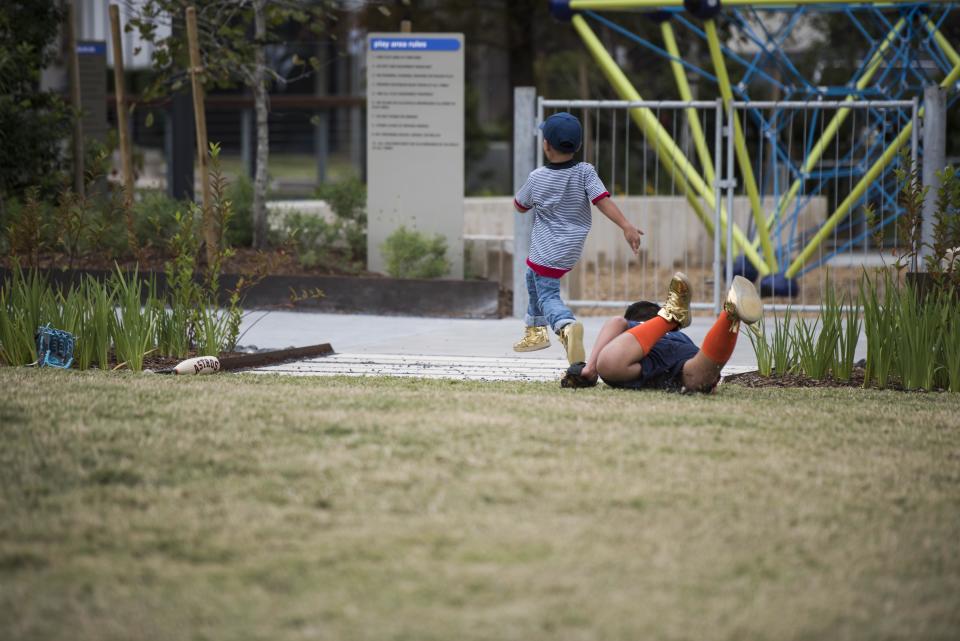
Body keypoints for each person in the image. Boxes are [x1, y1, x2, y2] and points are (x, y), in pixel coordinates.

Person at [513, 112, 643, 365]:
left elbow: (520, 205)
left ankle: (565, 326)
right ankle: (535, 331)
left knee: (547, 295)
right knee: (533, 277)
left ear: (546, 145)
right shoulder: (585, 171)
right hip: (570, 247)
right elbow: (602, 201)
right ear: (578, 145)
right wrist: (626, 226)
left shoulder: (537, 177)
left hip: (546, 248)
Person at [561, 272, 762, 393]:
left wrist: (590, 368)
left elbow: (616, 322)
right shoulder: (680, 337)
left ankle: (672, 317)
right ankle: (729, 315)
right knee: (699, 375)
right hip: (682, 356)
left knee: (608, 364)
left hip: (652, 355)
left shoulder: (630, 326)